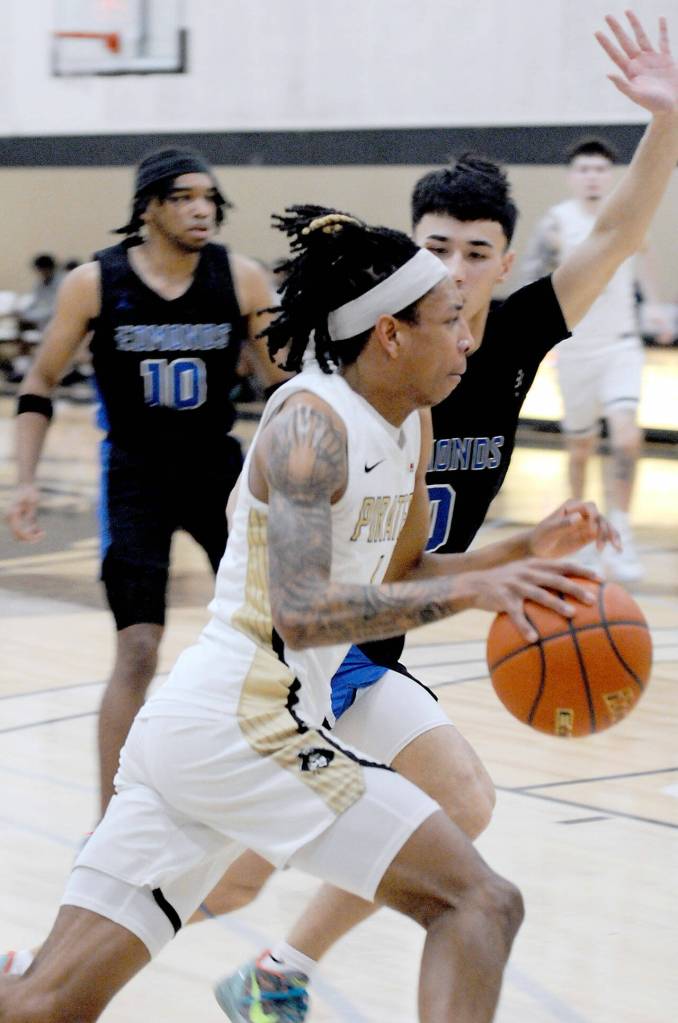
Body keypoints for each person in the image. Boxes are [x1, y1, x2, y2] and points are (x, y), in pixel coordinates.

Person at [0, 202, 615, 1023]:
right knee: (480, 901)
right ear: (391, 334)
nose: (468, 338)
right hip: (246, 721)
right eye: (451, 321)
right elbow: (301, 612)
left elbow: (400, 572)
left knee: (44, 1004)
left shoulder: (409, 423)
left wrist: (514, 552)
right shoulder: (308, 423)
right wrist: (474, 592)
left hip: (215, 730)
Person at [207, 11, 678, 1019]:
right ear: (408, 254)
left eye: (477, 252)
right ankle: (89, 937)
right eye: (436, 248)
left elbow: (622, 232)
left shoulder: (509, 340)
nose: (456, 271)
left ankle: (272, 976)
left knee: (463, 801)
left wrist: (666, 122)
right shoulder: (367, 356)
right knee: (230, 874)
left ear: (505, 264)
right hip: (292, 643)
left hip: (379, 635)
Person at [6, 147, 285, 814]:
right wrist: (24, 479)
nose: (201, 209)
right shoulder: (94, 283)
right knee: (137, 649)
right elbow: (39, 380)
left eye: (210, 198)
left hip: (219, 474)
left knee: (273, 633)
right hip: (134, 476)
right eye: (185, 197)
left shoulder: (241, 279)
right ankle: (112, 817)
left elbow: (287, 384)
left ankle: (260, 788)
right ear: (149, 208)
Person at [520, 136, 674, 582]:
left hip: (621, 343)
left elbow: (645, 259)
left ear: (609, 175)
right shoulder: (557, 224)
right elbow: (535, 278)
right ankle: (580, 534)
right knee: (580, 448)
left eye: (599, 170)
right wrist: (539, 338)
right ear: (573, 176)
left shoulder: (626, 215)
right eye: (584, 169)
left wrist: (657, 307)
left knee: (627, 437)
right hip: (576, 348)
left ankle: (621, 531)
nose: (592, 176)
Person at [5, 254, 63, 383]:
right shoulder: (40, 283)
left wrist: (30, 316)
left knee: (31, 324)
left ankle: (45, 368)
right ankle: (22, 365)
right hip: (39, 319)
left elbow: (54, 309)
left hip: (55, 320)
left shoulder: (62, 283)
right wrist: (22, 313)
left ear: (48, 268)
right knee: (20, 325)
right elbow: (34, 303)